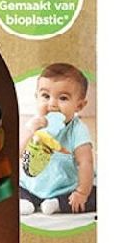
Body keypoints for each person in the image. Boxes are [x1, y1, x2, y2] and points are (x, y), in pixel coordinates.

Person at [19, 63, 96, 215]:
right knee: (12, 186)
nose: (52, 104)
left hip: (65, 188)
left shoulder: (77, 130)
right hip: (31, 185)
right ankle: (26, 200)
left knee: (95, 195)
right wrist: (30, 132)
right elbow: (19, 152)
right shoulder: (35, 124)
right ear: (36, 97)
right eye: (45, 96)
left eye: (63, 98)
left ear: (79, 106)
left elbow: (85, 162)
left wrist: (81, 192)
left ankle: (57, 203)